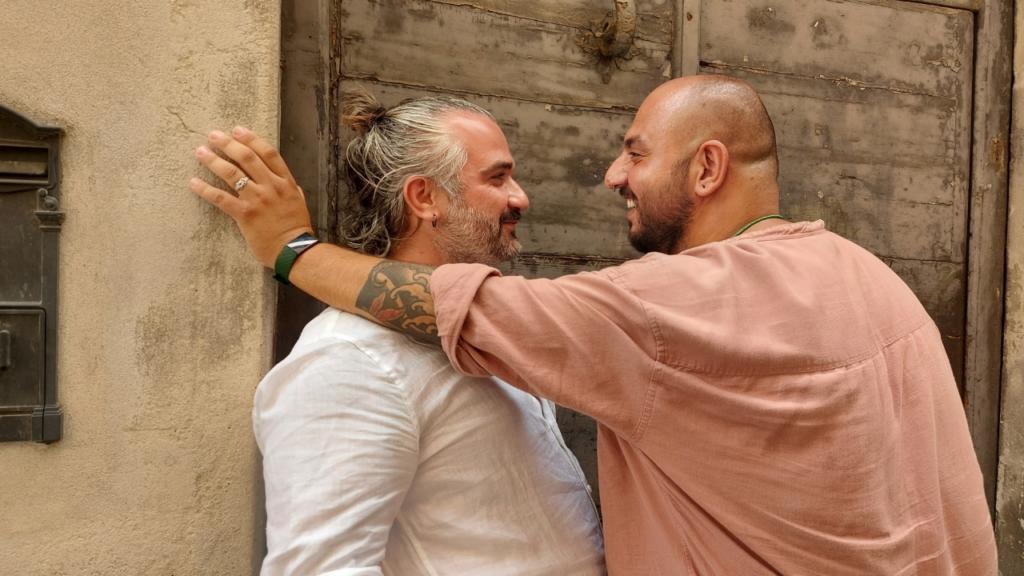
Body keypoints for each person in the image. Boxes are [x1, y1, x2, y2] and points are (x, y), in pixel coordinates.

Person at [191, 75, 997, 574]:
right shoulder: (875, 281)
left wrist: (293, 251)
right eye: (500, 176)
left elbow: (480, 310)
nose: (611, 175)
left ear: (707, 167)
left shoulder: (668, 308)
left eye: (635, 153)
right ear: (423, 198)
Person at [199, 91, 605, 575]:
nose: (520, 198)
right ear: (424, 197)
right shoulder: (348, 362)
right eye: (497, 178)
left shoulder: (486, 326)